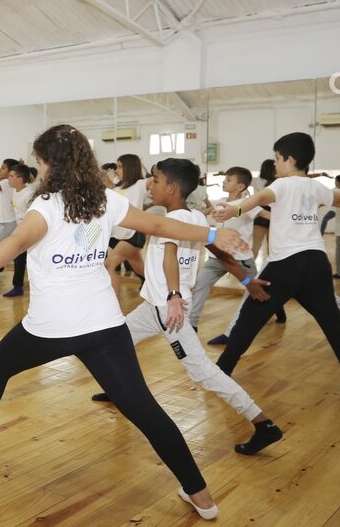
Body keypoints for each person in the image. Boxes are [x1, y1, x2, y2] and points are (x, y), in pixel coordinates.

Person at [0, 124, 251, 521]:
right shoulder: (106, 200)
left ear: (50, 164)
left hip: (51, 329)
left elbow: (17, 242)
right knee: (143, 408)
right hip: (105, 327)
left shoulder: (46, 206)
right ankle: (202, 496)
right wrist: (211, 234)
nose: (39, 169)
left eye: (39, 162)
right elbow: (158, 225)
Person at [91, 159, 283, 455]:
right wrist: (246, 280)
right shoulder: (195, 217)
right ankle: (119, 390)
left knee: (203, 372)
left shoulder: (174, 219)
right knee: (117, 340)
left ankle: (263, 423)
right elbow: (220, 252)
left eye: (156, 180)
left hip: (170, 310)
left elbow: (170, 256)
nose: (151, 186)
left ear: (172, 187)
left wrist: (173, 295)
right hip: (155, 306)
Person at [214, 132, 340, 375]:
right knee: (333, 322)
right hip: (317, 262)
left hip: (286, 265)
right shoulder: (316, 187)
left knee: (249, 318)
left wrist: (234, 209)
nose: (275, 164)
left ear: (289, 159)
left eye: (277, 158)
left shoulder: (282, 184)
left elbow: (260, 197)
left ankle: (221, 371)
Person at [189, 166, 286, 338]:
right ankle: (192, 325)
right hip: (216, 258)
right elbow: (209, 217)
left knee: (257, 290)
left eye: (228, 180)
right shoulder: (220, 201)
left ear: (240, 186)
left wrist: (289, 220)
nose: (224, 182)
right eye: (225, 179)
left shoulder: (247, 205)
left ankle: (276, 311)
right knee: (200, 286)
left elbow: (266, 215)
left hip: (241, 260)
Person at [104, 154, 147, 298]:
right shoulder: (119, 187)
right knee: (140, 270)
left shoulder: (140, 185)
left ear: (130, 168)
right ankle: (155, 286)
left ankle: (114, 305)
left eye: (120, 167)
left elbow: (155, 178)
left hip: (133, 234)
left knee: (108, 266)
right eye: (117, 167)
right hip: (120, 235)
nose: (116, 170)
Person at [3, 164, 33, 297]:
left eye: (11, 176)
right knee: (19, 258)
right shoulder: (16, 191)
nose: (8, 178)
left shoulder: (29, 194)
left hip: (30, 233)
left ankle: (20, 286)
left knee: (26, 259)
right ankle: (17, 287)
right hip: (22, 231)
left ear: (20, 179)